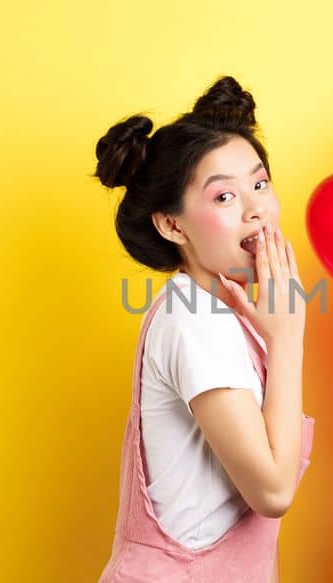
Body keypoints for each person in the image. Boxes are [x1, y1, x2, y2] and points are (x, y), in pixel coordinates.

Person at [94, 76, 313, 582]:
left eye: (259, 184)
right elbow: (272, 493)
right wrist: (288, 339)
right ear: (172, 225)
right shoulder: (193, 321)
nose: (256, 208)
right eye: (223, 198)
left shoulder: (233, 312)